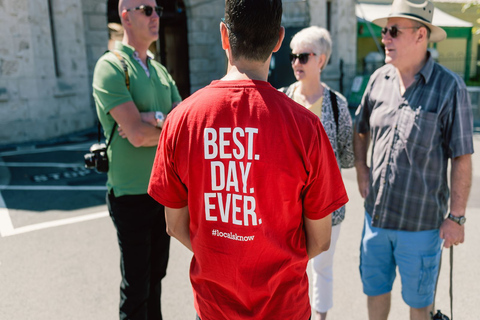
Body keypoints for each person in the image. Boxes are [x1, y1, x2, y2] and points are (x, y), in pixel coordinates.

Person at [147, 0, 349, 319]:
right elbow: (321, 240)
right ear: (280, 40)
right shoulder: (307, 127)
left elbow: (175, 225)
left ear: (224, 36)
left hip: (214, 307)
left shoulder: (180, 120)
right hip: (285, 307)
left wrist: (220, 257)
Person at [353, 0, 474, 319]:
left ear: (421, 35)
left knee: (420, 306)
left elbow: (462, 156)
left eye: (393, 31)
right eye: (383, 31)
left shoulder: (450, 87)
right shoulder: (379, 78)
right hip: (374, 220)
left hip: (421, 227)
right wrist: (362, 170)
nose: (385, 38)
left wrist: (457, 216)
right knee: (375, 293)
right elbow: (360, 128)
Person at [92, 0, 182, 319]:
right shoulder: (111, 66)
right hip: (130, 194)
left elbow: (180, 123)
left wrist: (151, 117)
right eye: (147, 9)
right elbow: (138, 135)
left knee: (156, 279)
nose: (156, 16)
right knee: (137, 287)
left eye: (156, 9)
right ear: (126, 16)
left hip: (162, 191)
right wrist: (157, 124)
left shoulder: (158, 69)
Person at [280, 26, 354, 320]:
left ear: (321, 60)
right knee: (288, 266)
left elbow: (347, 155)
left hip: (326, 207)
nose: (296, 62)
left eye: (303, 56)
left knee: (322, 266)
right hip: (286, 205)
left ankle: (320, 316)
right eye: (292, 56)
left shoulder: (338, 104)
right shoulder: (281, 98)